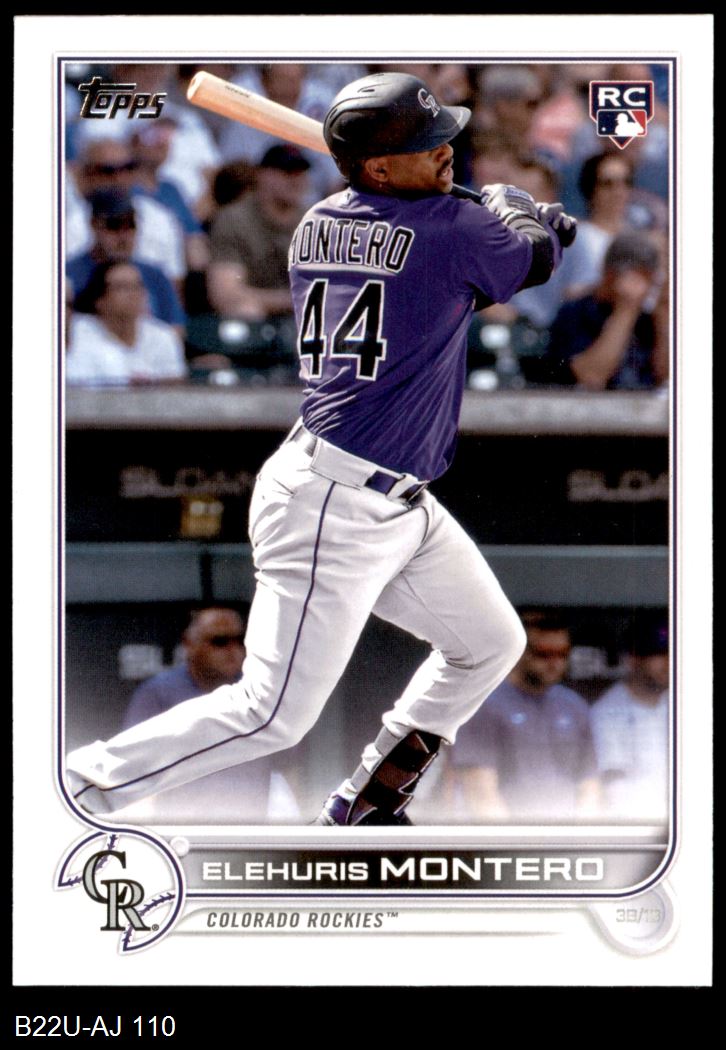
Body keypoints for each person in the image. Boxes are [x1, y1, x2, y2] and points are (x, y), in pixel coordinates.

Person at [66, 71, 577, 826]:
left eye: (443, 138)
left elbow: (474, 245)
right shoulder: (447, 228)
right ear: (379, 167)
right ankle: (80, 788)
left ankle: (366, 802)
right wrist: (521, 215)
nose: (447, 151)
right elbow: (530, 259)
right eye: (427, 144)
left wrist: (506, 220)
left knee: (490, 642)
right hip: (335, 503)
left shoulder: (320, 219)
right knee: (271, 714)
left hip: (389, 495)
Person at [445, 612, 600, 822]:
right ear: (518, 652)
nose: (555, 663)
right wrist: (516, 840)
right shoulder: (484, 705)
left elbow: (589, 785)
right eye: (544, 654)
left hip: (566, 832)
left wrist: (581, 835)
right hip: (507, 833)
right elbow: (481, 794)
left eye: (562, 654)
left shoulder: (575, 706)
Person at [544, 230, 669, 390]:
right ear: (610, 274)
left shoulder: (646, 320)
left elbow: (666, 376)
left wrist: (663, 314)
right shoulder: (575, 313)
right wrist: (626, 310)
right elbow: (591, 376)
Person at [206, 144, 311, 321]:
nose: (296, 180)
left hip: (304, 320)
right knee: (246, 311)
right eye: (287, 172)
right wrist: (291, 300)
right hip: (256, 323)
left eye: (301, 173)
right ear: (262, 175)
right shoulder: (235, 219)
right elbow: (225, 295)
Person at [66, 189, 186, 329]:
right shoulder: (68, 274)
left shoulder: (155, 275)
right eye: (114, 225)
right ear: (93, 224)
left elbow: (176, 329)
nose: (123, 236)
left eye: (131, 225)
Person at [590, 617, 670, 823]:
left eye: (671, 654)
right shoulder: (607, 712)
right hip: (637, 821)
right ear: (633, 660)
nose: (668, 663)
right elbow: (614, 787)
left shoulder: (679, 703)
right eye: (657, 655)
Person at [66, 260, 187, 387]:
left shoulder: (163, 336)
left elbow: (173, 385)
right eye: (122, 287)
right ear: (99, 299)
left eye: (138, 286)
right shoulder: (76, 331)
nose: (134, 294)